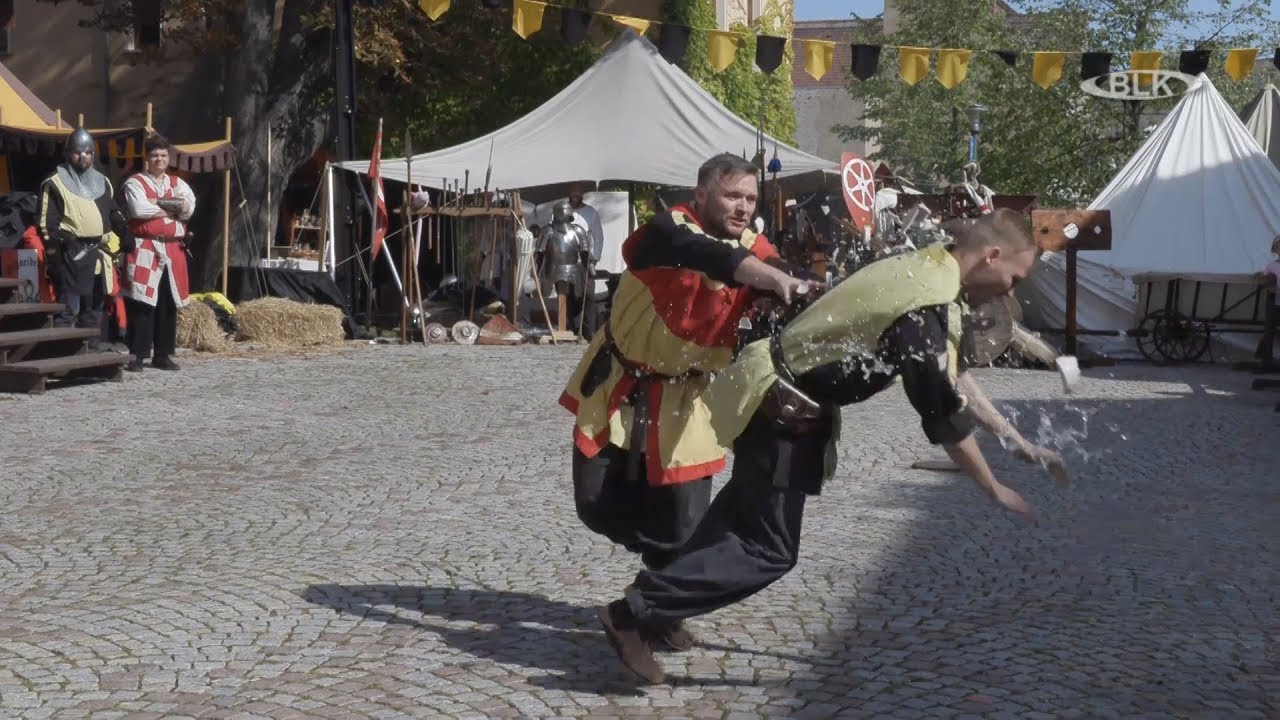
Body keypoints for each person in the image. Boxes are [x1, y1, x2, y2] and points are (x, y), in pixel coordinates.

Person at [594, 209, 1048, 684]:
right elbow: (942, 416)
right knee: (767, 550)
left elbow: (952, 374)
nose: (1011, 291)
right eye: (1014, 277)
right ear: (992, 256)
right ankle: (632, 613)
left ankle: (658, 614)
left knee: (735, 521)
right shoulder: (925, 305)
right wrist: (993, 488)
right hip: (782, 412)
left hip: (782, 402)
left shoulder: (929, 267)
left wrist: (1016, 441)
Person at [559, 153, 809, 652]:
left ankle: (656, 606)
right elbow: (701, 254)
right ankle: (661, 579)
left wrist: (789, 285)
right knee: (594, 504)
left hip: (688, 398)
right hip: (619, 385)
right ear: (701, 195)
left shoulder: (755, 249)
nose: (742, 207)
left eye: (750, 199)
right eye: (732, 195)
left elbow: (773, 267)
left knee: (684, 524)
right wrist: (768, 276)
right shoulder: (665, 230)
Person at [38, 127, 132, 340]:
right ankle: (64, 355)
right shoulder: (55, 183)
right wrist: (55, 257)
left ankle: (91, 352)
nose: (83, 157)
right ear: (68, 153)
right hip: (71, 255)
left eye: (88, 152)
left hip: (98, 255)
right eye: (78, 152)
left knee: (94, 307)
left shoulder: (102, 181)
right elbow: (46, 225)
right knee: (67, 310)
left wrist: (124, 232)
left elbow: (113, 211)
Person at [120, 133, 197, 372]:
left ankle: (162, 354)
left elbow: (188, 209)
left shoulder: (178, 183)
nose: (159, 159)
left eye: (163, 155)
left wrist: (158, 204)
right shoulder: (135, 183)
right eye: (154, 155)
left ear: (168, 157)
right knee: (143, 301)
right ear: (147, 158)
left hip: (173, 250)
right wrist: (170, 207)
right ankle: (137, 355)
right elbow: (138, 209)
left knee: (166, 301)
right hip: (146, 248)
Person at [1253, 235, 1280, 369]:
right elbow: (1264, 280)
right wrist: (1265, 280)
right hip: (1274, 298)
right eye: (1278, 247)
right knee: (1269, 329)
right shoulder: (1272, 266)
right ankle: (1265, 359)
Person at [567, 181, 605, 265]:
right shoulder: (561, 211)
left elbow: (598, 237)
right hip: (563, 259)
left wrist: (595, 258)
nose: (576, 195)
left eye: (578, 192)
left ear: (582, 194)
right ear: (569, 192)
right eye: (574, 191)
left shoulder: (591, 212)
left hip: (583, 260)